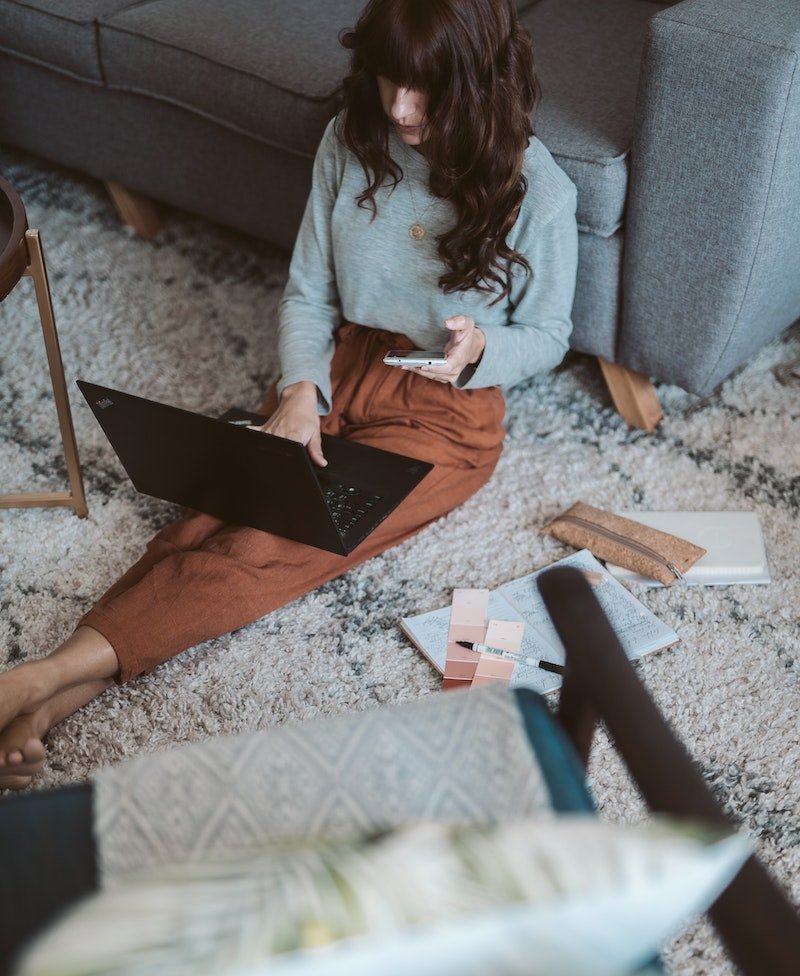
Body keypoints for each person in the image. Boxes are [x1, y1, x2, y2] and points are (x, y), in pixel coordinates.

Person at [0, 0, 578, 790]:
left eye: (426, 93)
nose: (401, 111)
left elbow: (550, 335)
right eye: (390, 83)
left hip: (448, 415)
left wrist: (483, 352)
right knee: (211, 513)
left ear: (477, 82)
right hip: (342, 363)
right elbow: (307, 292)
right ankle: (49, 700)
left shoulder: (539, 189)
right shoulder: (352, 139)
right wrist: (299, 390)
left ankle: (33, 683)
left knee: (275, 545)